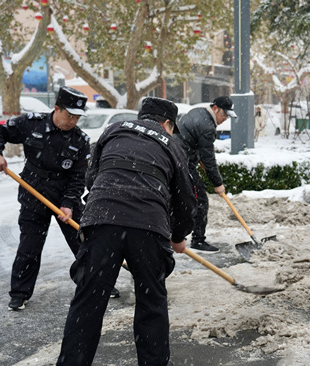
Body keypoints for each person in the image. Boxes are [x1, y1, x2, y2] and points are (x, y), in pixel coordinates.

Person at [56, 97, 196, 366]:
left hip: (101, 220)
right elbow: (186, 199)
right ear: (167, 124)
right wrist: (178, 236)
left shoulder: (114, 130)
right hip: (148, 226)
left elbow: (91, 176)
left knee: (88, 302)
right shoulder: (172, 145)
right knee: (151, 303)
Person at [0, 86, 119, 311]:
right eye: (69, 115)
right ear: (57, 108)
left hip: (66, 193)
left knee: (84, 241)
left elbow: (78, 177)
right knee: (30, 246)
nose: (73, 121)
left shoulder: (80, 140)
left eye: (77, 116)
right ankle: (19, 293)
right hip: (33, 192)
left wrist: (67, 204)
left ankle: (99, 283)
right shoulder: (31, 123)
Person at [174, 96, 237, 253]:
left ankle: (171, 235)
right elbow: (209, 159)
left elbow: (192, 142)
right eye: (224, 114)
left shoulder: (198, 112)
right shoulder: (207, 126)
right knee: (200, 200)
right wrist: (218, 184)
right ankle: (198, 240)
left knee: (177, 199)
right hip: (183, 162)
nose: (225, 119)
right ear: (215, 109)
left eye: (228, 116)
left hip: (173, 158)